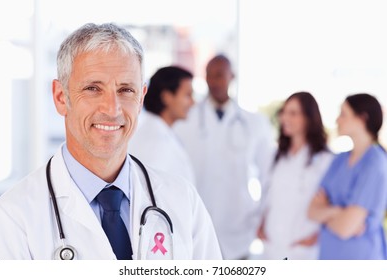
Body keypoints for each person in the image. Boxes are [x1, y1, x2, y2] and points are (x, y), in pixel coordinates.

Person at [0, 23, 222, 260]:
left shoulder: (183, 201)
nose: (112, 109)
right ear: (61, 97)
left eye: (126, 90)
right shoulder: (14, 217)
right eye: (93, 88)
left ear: (141, 97)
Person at [174, 54, 275, 259]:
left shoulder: (254, 123)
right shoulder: (186, 119)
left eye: (219, 75)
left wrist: (263, 214)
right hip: (197, 221)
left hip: (239, 225)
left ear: (232, 76)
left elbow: (268, 175)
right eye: (209, 76)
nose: (214, 81)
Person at [308, 93, 387, 260]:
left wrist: (327, 212)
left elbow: (345, 229)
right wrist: (338, 211)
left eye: (343, 114)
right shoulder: (339, 160)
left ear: (362, 119)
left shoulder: (375, 163)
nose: (337, 120)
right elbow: (311, 211)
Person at [257, 92, 333, 259]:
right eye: (284, 112)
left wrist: (320, 234)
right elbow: (267, 195)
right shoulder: (275, 155)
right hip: (272, 245)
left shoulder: (326, 160)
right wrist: (261, 222)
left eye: (293, 113)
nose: (285, 118)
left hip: (303, 246)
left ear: (309, 117)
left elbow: (331, 204)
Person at [129, 66, 196, 185]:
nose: (192, 102)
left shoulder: (160, 132)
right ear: (167, 97)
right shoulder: (155, 140)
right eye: (187, 95)